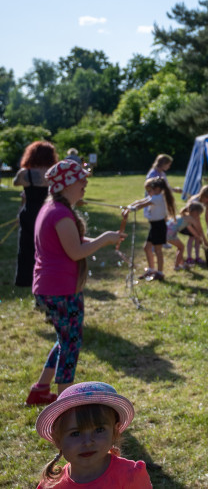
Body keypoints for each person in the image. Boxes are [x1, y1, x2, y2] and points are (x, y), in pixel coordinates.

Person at [27, 161, 124, 406]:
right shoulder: (59, 212)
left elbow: (73, 241)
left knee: (65, 340)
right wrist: (104, 239)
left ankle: (40, 389)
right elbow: (75, 251)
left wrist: (107, 239)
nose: (85, 184)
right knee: (71, 345)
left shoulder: (54, 208)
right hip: (60, 290)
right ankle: (65, 402)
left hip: (51, 287)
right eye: (81, 180)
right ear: (67, 184)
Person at [35, 381, 150, 488]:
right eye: (75, 433)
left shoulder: (130, 475)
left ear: (115, 431)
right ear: (58, 439)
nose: (88, 442)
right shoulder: (52, 484)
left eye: (99, 430)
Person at [14, 140, 58, 287]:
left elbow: (16, 183)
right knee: (46, 247)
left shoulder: (25, 173)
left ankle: (25, 279)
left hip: (29, 213)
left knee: (26, 247)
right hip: (47, 213)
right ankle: (47, 278)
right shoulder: (53, 173)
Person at [126, 177, 176, 281]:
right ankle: (151, 269)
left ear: (157, 189)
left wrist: (132, 208)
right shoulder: (156, 196)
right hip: (154, 226)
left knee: (158, 250)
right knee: (147, 248)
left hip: (159, 226)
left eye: (151, 190)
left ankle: (160, 273)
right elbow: (142, 201)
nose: (149, 192)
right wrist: (130, 206)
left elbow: (142, 204)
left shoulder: (157, 198)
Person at [169, 201, 207, 268]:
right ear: (195, 212)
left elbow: (192, 231)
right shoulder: (190, 219)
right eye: (199, 214)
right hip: (169, 233)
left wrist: (198, 237)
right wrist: (201, 238)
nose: (199, 216)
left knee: (180, 247)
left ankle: (181, 263)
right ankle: (176, 266)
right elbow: (198, 229)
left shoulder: (185, 216)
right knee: (181, 248)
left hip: (165, 231)